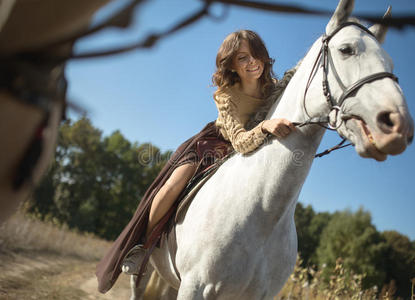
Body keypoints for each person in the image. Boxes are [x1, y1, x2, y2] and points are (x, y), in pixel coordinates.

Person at [96, 29, 296, 293]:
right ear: (232, 66)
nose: (252, 62)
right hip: (214, 145)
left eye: (256, 55)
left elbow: (299, 75)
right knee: (175, 183)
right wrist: (266, 126)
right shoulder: (226, 95)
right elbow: (239, 141)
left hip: (253, 148)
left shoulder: (273, 87)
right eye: (243, 58)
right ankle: (143, 246)